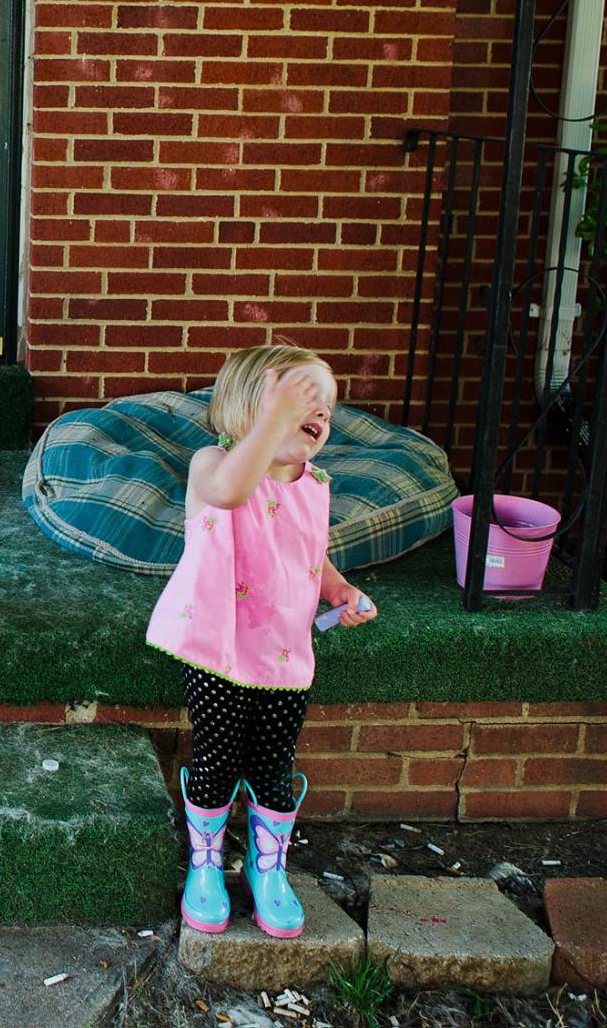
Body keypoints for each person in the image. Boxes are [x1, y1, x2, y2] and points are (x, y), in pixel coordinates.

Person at [144, 344, 378, 939]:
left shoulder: (316, 485)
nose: (319, 414)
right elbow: (228, 493)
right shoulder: (211, 465)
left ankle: (267, 869)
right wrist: (272, 421)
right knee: (218, 757)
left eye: (325, 406)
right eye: (302, 400)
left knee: (274, 765)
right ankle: (206, 864)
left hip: (284, 652)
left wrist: (341, 591)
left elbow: (312, 553)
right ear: (248, 408)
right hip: (219, 648)